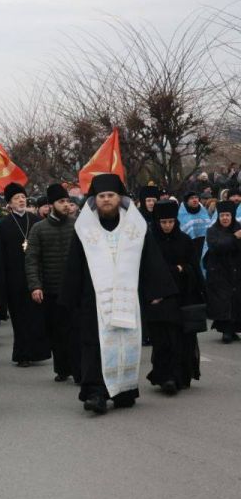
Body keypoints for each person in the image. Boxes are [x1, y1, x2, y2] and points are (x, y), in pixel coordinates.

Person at [59, 174, 176, 415]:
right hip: (94, 301)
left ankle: (124, 391)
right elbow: (74, 264)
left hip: (127, 298)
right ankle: (96, 393)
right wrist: (70, 298)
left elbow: (149, 259)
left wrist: (156, 291)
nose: (106, 200)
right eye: (101, 196)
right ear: (95, 200)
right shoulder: (84, 228)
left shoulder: (135, 226)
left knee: (126, 344)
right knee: (94, 346)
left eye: (110, 196)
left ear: (119, 198)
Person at [146, 200, 204, 392]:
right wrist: (175, 269)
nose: (167, 226)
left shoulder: (185, 240)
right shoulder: (151, 242)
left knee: (182, 339)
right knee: (164, 339)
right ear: (157, 222)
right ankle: (166, 377)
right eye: (163, 222)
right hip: (160, 297)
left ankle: (179, 375)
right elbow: (149, 270)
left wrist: (183, 269)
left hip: (183, 296)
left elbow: (194, 268)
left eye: (171, 221)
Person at [0, 182, 50, 368]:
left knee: (37, 316)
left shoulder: (35, 221)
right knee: (19, 318)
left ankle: (37, 352)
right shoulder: (3, 226)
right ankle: (22, 354)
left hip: (35, 277)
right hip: (14, 278)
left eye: (23, 197)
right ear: (9, 203)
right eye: (16, 198)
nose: (21, 200)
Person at [25, 184, 77, 382]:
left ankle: (79, 368)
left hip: (74, 288)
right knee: (57, 332)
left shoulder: (76, 225)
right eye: (61, 202)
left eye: (67, 202)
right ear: (51, 204)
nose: (65, 205)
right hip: (51, 289)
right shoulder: (39, 229)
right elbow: (31, 259)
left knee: (76, 330)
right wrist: (35, 286)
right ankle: (62, 369)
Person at [203, 201, 241, 343]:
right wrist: (234, 237)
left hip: (237, 271)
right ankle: (226, 330)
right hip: (219, 272)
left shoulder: (239, 228)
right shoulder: (212, 230)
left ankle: (234, 329)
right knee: (224, 301)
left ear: (232, 216)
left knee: (236, 300)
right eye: (222, 215)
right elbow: (216, 246)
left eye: (228, 215)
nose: (225, 218)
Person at [178, 191, 209, 264]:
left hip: (205, 244)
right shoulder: (182, 214)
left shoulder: (203, 211)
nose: (195, 200)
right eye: (191, 198)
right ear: (187, 201)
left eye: (196, 198)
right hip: (191, 246)